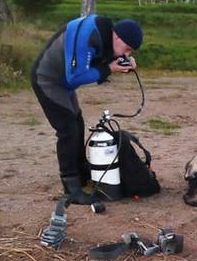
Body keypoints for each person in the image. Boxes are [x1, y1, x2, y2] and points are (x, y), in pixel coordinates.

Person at [32, 15, 143, 205]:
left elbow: (94, 64)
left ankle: (81, 175)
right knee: (68, 129)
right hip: (47, 79)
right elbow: (75, 76)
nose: (126, 54)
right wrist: (109, 68)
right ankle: (71, 188)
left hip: (63, 84)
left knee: (77, 122)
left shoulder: (105, 35)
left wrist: (121, 62)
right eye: (127, 49)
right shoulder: (90, 34)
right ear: (117, 37)